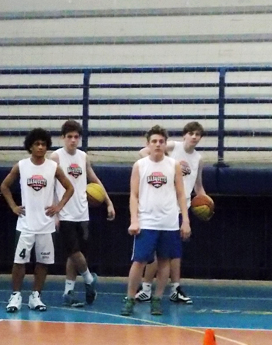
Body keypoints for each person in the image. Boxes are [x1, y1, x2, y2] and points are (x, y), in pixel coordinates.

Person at [1, 128, 74, 313]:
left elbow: (69, 188)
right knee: (19, 261)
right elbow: (4, 186)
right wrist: (13, 207)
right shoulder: (21, 165)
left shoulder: (53, 167)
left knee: (43, 262)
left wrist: (58, 207)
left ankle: (36, 295)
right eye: (37, 144)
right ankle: (16, 295)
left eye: (43, 144)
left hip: (46, 224)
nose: (40, 147)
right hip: (26, 224)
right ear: (30, 147)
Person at [121, 125, 191, 316]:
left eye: (161, 141)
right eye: (154, 141)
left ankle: (157, 299)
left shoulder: (173, 165)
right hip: (147, 221)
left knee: (164, 262)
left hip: (168, 221)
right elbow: (133, 195)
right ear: (148, 144)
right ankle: (130, 298)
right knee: (139, 261)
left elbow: (181, 193)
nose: (158, 144)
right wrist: (134, 220)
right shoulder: (140, 165)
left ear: (166, 144)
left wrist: (185, 220)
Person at [135, 121, 207, 304]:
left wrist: (206, 202)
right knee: (156, 254)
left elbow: (198, 186)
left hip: (181, 208)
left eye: (198, 134)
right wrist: (162, 162)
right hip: (162, 206)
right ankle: (145, 287)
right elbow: (144, 152)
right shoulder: (173, 146)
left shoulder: (198, 159)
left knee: (174, 254)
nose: (194, 137)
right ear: (184, 135)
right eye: (191, 133)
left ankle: (174, 289)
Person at [51, 120, 115, 307]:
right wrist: (55, 212)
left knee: (75, 255)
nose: (73, 140)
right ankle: (89, 279)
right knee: (74, 251)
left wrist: (108, 202)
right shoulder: (55, 157)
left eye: (76, 137)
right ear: (62, 138)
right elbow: (50, 187)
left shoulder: (83, 157)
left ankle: (68, 292)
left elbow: (94, 179)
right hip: (64, 212)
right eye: (69, 137)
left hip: (82, 212)